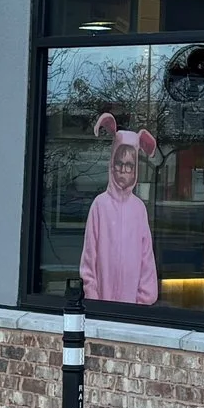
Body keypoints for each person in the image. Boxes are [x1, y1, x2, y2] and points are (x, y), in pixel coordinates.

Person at [80, 113, 159, 305]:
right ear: (112, 166)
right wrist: (93, 299)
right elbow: (89, 258)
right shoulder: (100, 205)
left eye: (129, 165)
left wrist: (142, 302)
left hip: (133, 309)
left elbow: (146, 258)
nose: (124, 170)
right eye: (119, 164)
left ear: (136, 169)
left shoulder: (139, 209)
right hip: (101, 306)